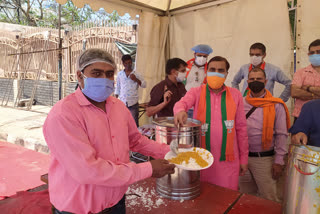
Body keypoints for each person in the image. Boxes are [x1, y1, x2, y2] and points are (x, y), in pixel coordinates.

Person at [43, 48, 175, 214]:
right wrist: (147, 169)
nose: (104, 79)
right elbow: (87, 170)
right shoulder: (63, 115)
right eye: (96, 73)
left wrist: (170, 151)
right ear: (79, 76)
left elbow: (135, 140)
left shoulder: (118, 106)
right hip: (79, 209)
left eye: (109, 74)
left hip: (116, 201)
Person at [174, 56, 249, 191]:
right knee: (204, 198)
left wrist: (243, 159)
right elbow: (182, 103)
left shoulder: (235, 95)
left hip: (228, 160)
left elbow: (241, 129)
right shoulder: (196, 92)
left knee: (225, 198)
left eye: (221, 70)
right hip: (202, 158)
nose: (216, 73)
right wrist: (180, 111)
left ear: (226, 74)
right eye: (212, 69)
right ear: (207, 72)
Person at [239, 67, 290, 202]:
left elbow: (281, 135)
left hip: (264, 159)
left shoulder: (276, 105)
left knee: (268, 198)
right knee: (245, 197)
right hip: (241, 158)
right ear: (247, 81)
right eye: (252, 79)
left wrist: (279, 161)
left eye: (259, 79)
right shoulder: (239, 103)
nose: (255, 81)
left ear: (266, 81)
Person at [291, 39, 320, 121]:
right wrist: (316, 95)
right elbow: (294, 92)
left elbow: (298, 91)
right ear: (308, 54)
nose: (315, 55)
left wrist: (308, 88)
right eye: (312, 53)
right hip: (302, 116)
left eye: (318, 52)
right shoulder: (300, 72)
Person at [115, 54, 146, 126]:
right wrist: (115, 99)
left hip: (133, 103)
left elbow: (144, 85)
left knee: (134, 124)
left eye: (129, 63)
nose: (128, 65)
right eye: (126, 63)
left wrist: (136, 79)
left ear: (131, 62)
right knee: (123, 123)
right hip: (122, 102)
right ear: (123, 64)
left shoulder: (136, 74)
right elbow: (118, 87)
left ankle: (135, 137)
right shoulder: (120, 74)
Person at [184, 44, 213, 118]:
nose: (202, 58)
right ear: (194, 55)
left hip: (201, 105)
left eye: (204, 56)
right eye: (199, 55)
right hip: (186, 103)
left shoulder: (210, 69)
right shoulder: (185, 67)